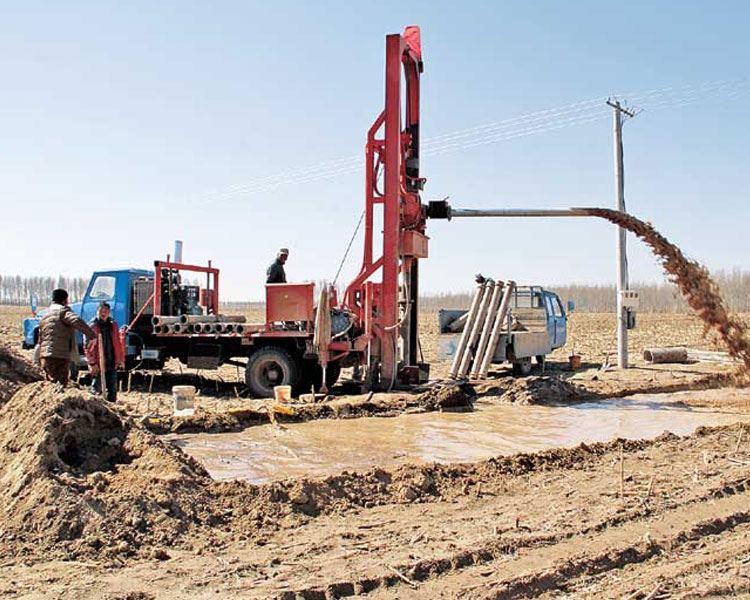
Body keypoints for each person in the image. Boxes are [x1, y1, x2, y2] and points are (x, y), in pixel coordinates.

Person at [38, 288, 96, 385]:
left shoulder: (45, 316)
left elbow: (41, 338)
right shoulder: (63, 312)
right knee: (60, 385)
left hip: (45, 356)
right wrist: (92, 335)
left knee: (49, 385)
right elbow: (76, 320)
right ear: (65, 301)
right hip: (60, 356)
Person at [85, 302, 125, 402]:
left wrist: (120, 359)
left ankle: (112, 410)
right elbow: (87, 347)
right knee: (96, 388)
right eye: (101, 311)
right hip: (98, 362)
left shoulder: (113, 325)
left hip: (111, 360)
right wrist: (92, 363)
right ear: (97, 311)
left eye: (106, 311)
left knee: (113, 389)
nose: (103, 313)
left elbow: (118, 344)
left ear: (109, 312)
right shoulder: (92, 326)